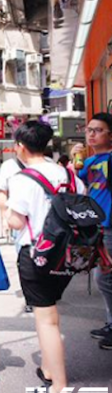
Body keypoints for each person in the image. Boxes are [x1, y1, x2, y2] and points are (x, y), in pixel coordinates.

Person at [7, 121, 85, 393]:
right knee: (50, 314)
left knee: (47, 319)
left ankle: (60, 390)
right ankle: (49, 369)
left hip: (37, 255)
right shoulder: (69, 175)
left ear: (21, 147)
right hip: (67, 255)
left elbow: (17, 222)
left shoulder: (22, 179)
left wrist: (6, 216)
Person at [72, 112, 112, 351]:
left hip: (109, 225)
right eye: (88, 130)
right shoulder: (88, 162)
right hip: (96, 226)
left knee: (104, 277)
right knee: (103, 276)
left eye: (98, 130)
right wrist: (74, 160)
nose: (91, 134)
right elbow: (78, 186)